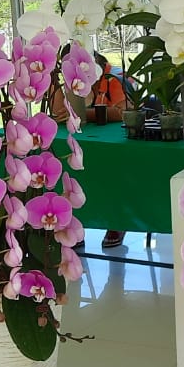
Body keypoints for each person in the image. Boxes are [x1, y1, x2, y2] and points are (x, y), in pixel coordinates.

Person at [47, 51, 132, 250]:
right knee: (67, 169)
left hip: (115, 141)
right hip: (83, 139)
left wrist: (83, 113)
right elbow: (58, 112)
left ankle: (116, 220)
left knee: (111, 167)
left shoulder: (114, 78)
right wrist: (53, 78)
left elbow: (122, 112)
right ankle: (74, 222)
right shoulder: (68, 81)